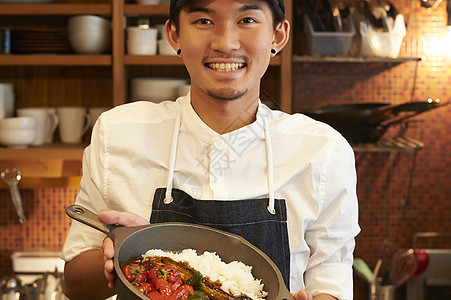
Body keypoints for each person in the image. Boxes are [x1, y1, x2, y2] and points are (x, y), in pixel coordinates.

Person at [62, 0, 360, 299]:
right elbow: (75, 285)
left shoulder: (323, 151)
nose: (225, 43)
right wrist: (128, 251)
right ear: (174, 35)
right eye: (204, 21)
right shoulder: (118, 133)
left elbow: (331, 276)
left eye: (247, 20)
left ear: (277, 36)